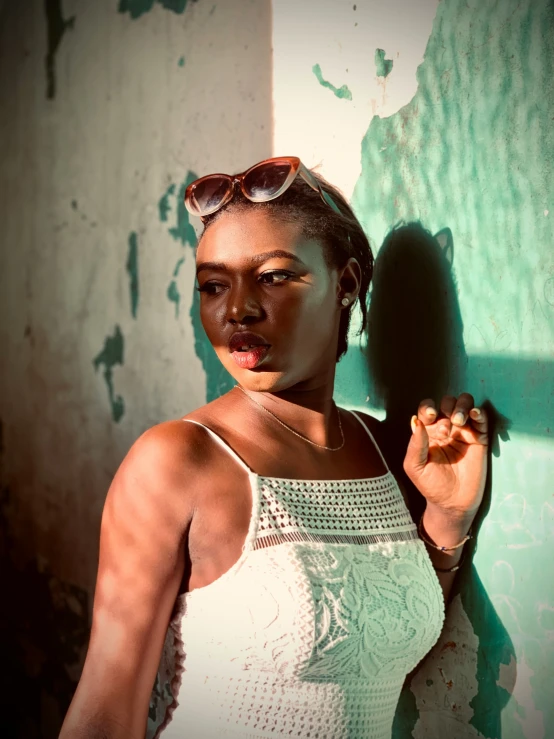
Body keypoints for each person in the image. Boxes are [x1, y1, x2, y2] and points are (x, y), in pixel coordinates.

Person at [59, 157, 488, 739]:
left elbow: (372, 651)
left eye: (273, 277)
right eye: (214, 285)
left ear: (347, 284)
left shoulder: (387, 450)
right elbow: (105, 714)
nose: (237, 309)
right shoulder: (177, 461)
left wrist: (449, 514)